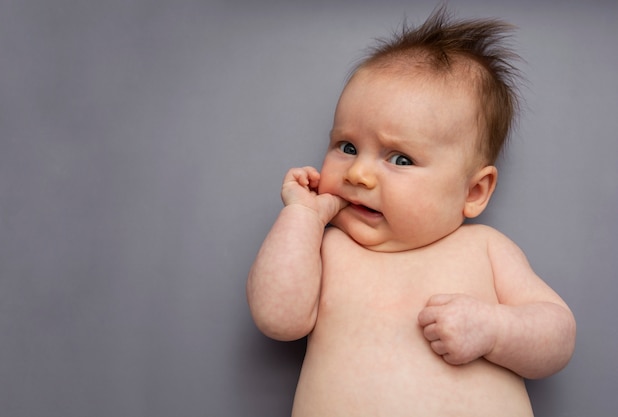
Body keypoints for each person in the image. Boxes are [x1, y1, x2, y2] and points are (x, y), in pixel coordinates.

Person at [247, 6, 576, 417]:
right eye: (347, 147)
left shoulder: (485, 249)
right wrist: (301, 217)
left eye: (400, 159)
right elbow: (278, 318)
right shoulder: (328, 248)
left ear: (474, 191)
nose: (360, 173)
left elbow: (558, 336)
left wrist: (494, 331)